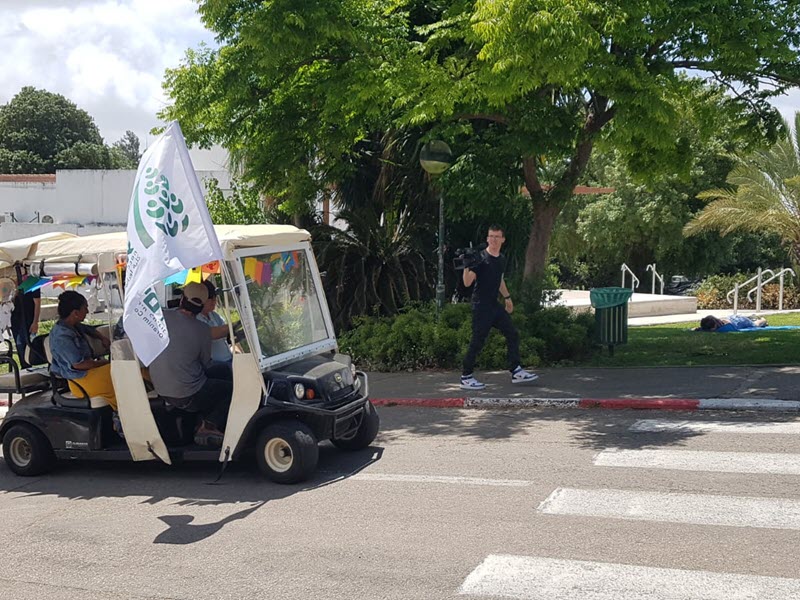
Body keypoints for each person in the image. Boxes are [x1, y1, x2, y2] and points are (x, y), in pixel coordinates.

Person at [147, 282, 232, 447]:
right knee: (231, 389)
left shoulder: (161, 317)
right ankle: (208, 425)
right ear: (201, 306)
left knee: (220, 374)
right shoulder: (202, 330)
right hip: (187, 394)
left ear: (181, 300)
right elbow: (206, 363)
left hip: (161, 387)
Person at [460, 225, 538, 390]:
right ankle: (466, 376)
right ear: (487, 238)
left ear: (502, 239)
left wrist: (508, 298)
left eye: (497, 237)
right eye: (490, 236)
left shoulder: (501, 258)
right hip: (481, 305)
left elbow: (499, 280)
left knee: (512, 333)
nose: (493, 239)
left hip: (494, 305)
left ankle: (516, 370)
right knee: (477, 341)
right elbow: (467, 282)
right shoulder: (480, 258)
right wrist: (467, 264)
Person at [49, 290, 115, 408]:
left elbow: (89, 329)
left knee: (130, 370)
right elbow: (78, 365)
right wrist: (104, 363)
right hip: (80, 381)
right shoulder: (61, 336)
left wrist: (102, 337)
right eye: (85, 308)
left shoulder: (74, 325)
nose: (87, 311)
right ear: (75, 313)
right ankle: (120, 417)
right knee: (121, 374)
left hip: (89, 374)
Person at [196, 279, 233, 369]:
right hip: (215, 367)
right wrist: (237, 325)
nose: (214, 301)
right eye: (210, 298)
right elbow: (213, 334)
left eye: (215, 297)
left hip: (229, 360)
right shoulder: (195, 319)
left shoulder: (214, 315)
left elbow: (229, 337)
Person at [10, 271, 41, 368]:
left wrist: (35, 322)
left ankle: (27, 366)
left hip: (27, 317)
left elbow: (37, 303)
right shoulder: (11, 282)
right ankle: (23, 365)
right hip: (15, 318)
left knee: (25, 343)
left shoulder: (32, 280)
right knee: (19, 343)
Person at [695, 314, 768, 332]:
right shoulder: (711, 323)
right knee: (752, 321)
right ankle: (752, 317)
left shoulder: (726, 325)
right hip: (734, 318)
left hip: (740, 321)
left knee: (756, 324)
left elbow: (733, 328)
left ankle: (763, 319)